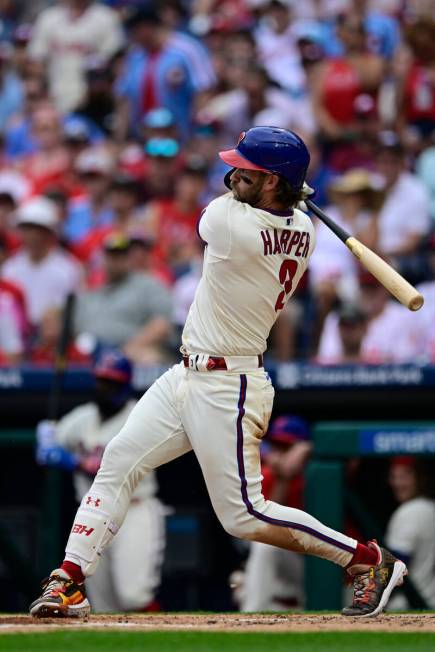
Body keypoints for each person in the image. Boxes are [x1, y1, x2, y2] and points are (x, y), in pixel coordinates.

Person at [29, 126, 407, 619]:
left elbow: (224, 202)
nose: (233, 174)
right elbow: (262, 199)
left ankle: (368, 560)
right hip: (187, 372)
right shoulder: (305, 228)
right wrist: (287, 189)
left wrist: (282, 188)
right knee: (118, 460)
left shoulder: (230, 224)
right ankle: (69, 579)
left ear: (271, 181)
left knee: (243, 516)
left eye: (246, 169)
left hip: (230, 383)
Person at [35, 350, 166, 612]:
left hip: (134, 512)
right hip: (93, 516)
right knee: (104, 606)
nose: (104, 389)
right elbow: (46, 449)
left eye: (112, 383)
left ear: (125, 385)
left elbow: (98, 466)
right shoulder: (84, 417)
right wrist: (48, 438)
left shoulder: (140, 416)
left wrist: (74, 461)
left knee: (133, 596)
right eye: (101, 381)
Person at [234, 415, 312, 612]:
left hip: (324, 563)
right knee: (265, 543)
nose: (278, 454)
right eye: (275, 446)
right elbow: (268, 521)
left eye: (286, 448)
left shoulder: (315, 472)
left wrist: (308, 449)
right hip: (292, 565)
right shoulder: (267, 475)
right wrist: (283, 479)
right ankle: (251, 614)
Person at [385, 457, 435, 610]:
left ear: (420, 478)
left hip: (407, 606)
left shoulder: (409, 512)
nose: (397, 483)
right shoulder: (431, 507)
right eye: (394, 476)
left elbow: (394, 567)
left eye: (404, 476)